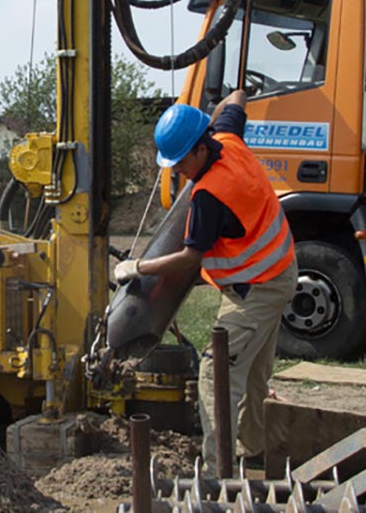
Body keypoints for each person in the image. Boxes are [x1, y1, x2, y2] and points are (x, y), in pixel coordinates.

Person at [114, 90, 297, 471]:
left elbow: (189, 259)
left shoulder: (209, 196)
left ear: (200, 150)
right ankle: (253, 454)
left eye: (181, 163)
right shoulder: (227, 138)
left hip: (255, 288)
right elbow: (238, 96)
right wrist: (210, 117)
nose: (178, 171)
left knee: (217, 374)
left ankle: (218, 470)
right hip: (279, 270)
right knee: (252, 376)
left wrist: (138, 268)